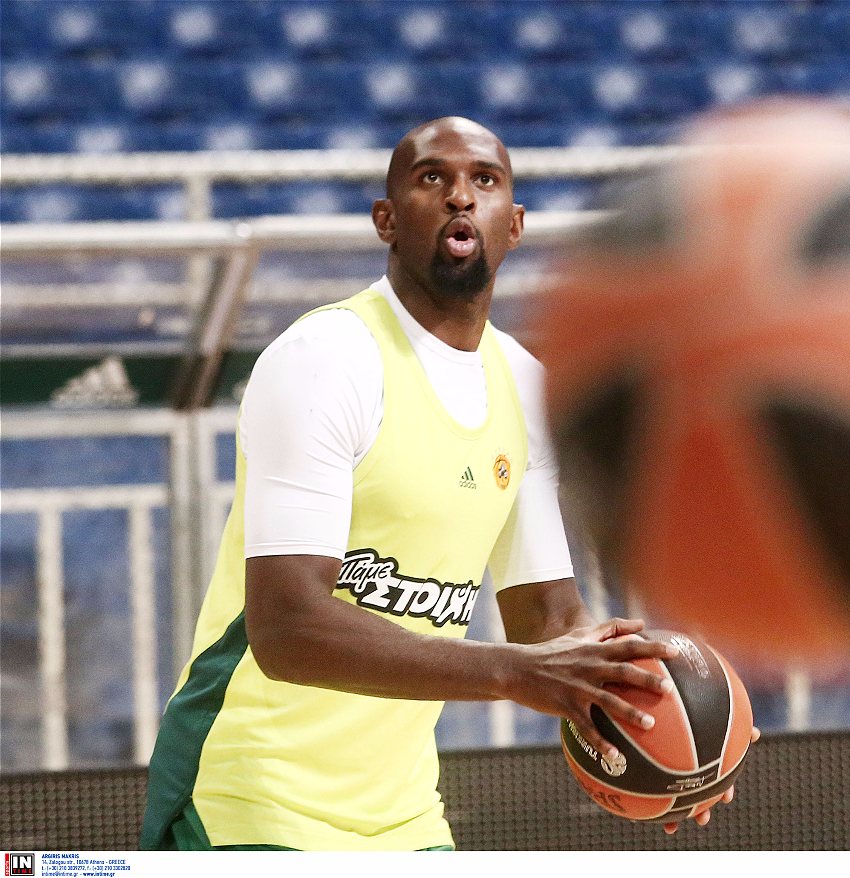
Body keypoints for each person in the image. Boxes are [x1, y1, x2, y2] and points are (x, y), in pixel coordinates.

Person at [141, 117, 749, 851]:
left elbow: (549, 621)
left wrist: (675, 718)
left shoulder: (524, 384)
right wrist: (508, 672)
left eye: (484, 181)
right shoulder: (326, 359)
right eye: (433, 178)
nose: (461, 196)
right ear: (387, 221)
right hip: (246, 799)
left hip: (404, 817)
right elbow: (288, 630)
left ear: (514, 225)